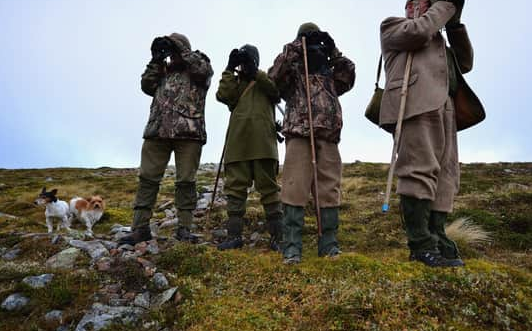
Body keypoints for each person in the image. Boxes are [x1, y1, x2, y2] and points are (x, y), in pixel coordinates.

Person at [379, 0, 485, 267]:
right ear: (413, 7)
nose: (436, 10)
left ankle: (436, 236)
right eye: (430, 5)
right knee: (418, 169)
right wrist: (443, 5)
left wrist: (456, 24)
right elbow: (420, 31)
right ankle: (420, 244)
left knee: (447, 176)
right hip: (414, 105)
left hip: (446, 110)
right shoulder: (393, 27)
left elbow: (466, 62)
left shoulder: (439, 41)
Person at [268, 23, 355, 264]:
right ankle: (292, 246)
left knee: (329, 189)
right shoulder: (292, 67)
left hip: (327, 134)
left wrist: (332, 50)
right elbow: (273, 77)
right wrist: (297, 46)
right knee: (294, 188)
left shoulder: (330, 68)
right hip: (299, 132)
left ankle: (329, 244)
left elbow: (349, 75)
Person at [119, 33, 213, 245]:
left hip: (188, 133)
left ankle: (184, 229)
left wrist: (182, 50)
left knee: (186, 181)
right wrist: (156, 59)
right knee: (147, 180)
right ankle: (140, 228)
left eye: (173, 49)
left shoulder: (199, 67)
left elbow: (204, 71)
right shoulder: (162, 71)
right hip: (157, 132)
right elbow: (146, 85)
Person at [215, 44, 283, 251]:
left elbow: (277, 92)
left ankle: (278, 238)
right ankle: (234, 236)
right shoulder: (236, 85)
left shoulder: (265, 81)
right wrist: (229, 67)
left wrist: (256, 72)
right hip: (239, 146)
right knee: (235, 192)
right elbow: (222, 95)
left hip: (262, 144)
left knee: (270, 190)